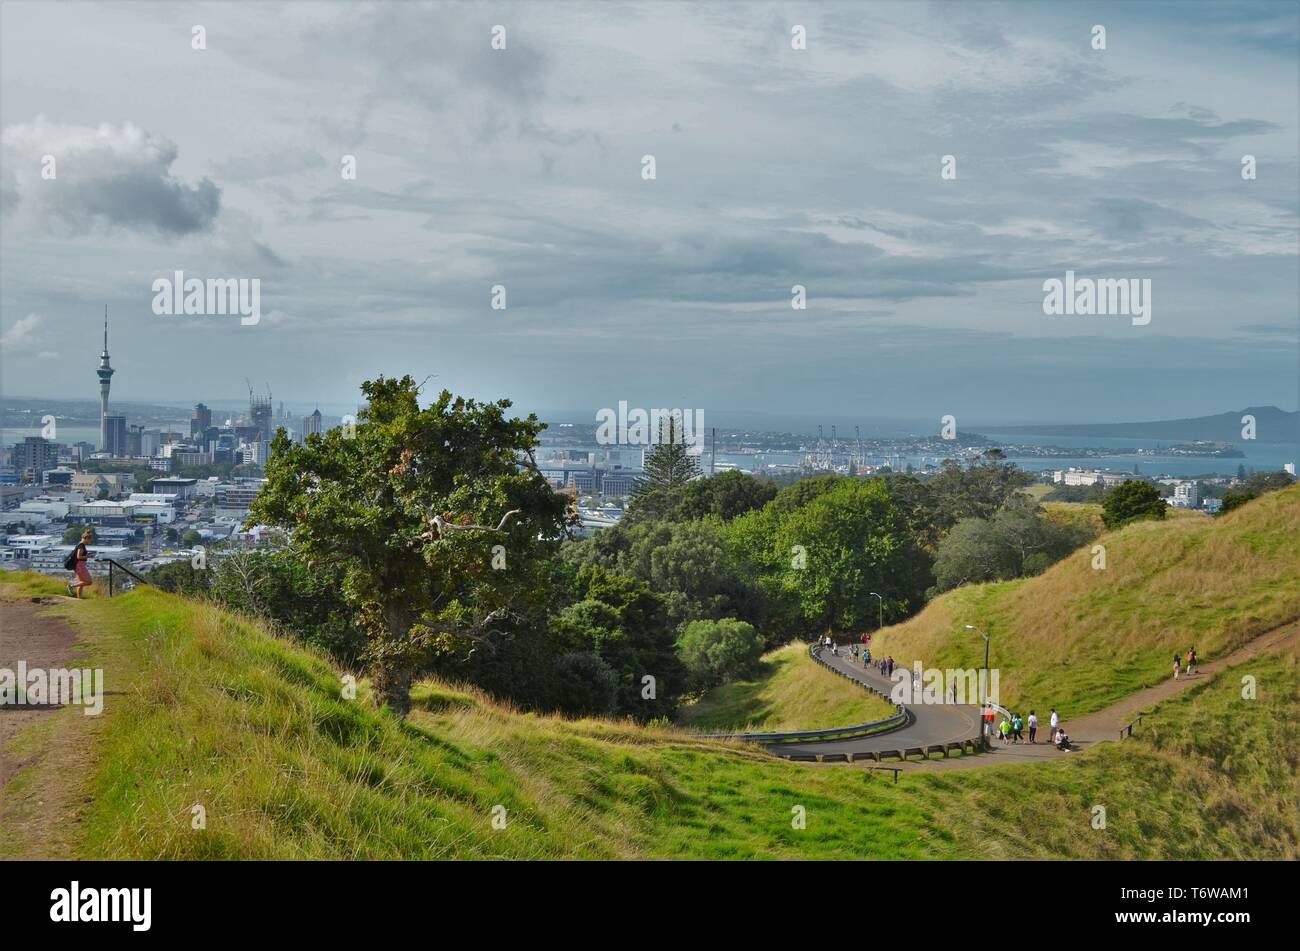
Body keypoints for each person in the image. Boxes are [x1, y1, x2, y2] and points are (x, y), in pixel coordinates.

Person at [68, 530, 94, 598]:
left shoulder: (80, 544)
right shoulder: (81, 545)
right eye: (90, 540)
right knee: (89, 582)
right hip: (80, 566)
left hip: (78, 565)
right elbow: (78, 556)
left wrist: (86, 555)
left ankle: (79, 599)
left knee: (81, 582)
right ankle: (71, 586)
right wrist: (88, 556)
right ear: (86, 538)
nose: (90, 542)